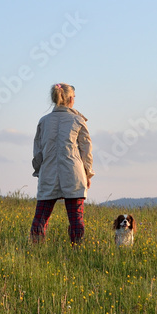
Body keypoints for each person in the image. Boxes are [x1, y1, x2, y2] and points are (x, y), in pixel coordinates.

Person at [30, 83, 94, 244]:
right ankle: (77, 252)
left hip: (48, 172)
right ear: (71, 99)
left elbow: (37, 151)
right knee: (76, 218)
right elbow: (86, 152)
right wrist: (88, 174)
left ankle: (36, 252)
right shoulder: (78, 120)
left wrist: (39, 171)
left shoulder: (43, 121)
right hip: (74, 174)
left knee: (41, 217)